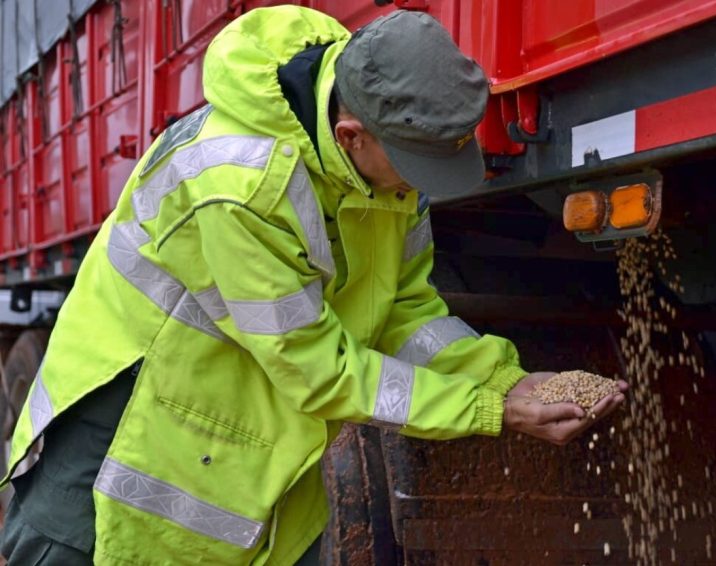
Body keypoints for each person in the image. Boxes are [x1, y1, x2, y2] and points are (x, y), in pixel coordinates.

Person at [0, 6, 627, 565]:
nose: (416, 187)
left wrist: (503, 378)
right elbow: (317, 368)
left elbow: (405, 312)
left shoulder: (384, 167)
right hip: (123, 443)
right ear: (352, 136)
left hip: (238, 439)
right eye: (411, 168)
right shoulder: (238, 183)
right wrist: (492, 411)